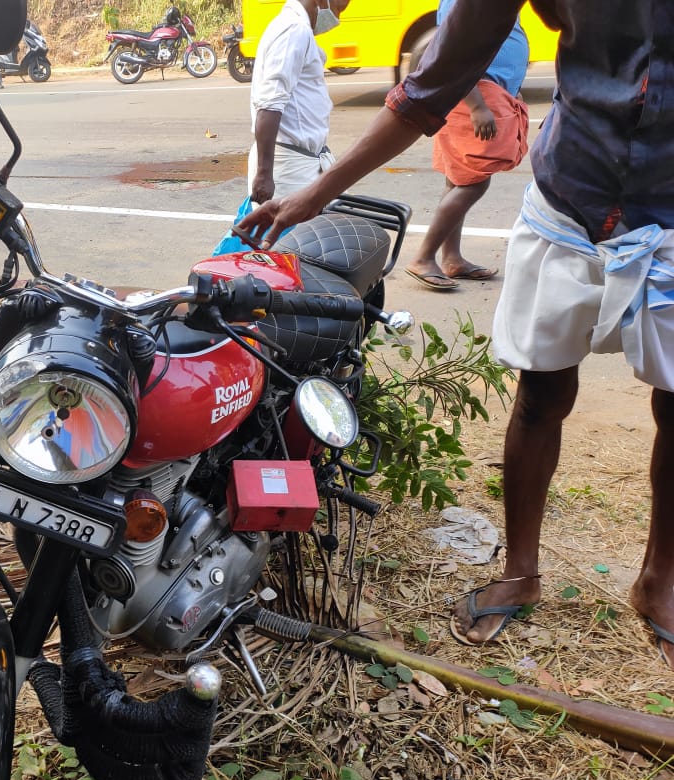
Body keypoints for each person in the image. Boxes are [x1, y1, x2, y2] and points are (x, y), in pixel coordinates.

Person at [238, 1, 674, 670]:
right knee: (542, 394)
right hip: (572, 196)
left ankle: (658, 583)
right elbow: (428, 88)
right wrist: (314, 195)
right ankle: (521, 571)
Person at [403, 0, 529, 290]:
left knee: (458, 179)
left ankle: (452, 258)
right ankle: (423, 257)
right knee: (473, 183)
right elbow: (454, 55)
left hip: (487, 94)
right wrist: (477, 107)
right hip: (474, 97)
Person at [248, 0, 351, 205]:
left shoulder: (296, 27)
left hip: (300, 165)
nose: (338, 18)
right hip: (289, 172)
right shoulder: (294, 30)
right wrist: (264, 174)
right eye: (339, 8)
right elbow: (270, 104)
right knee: (287, 236)